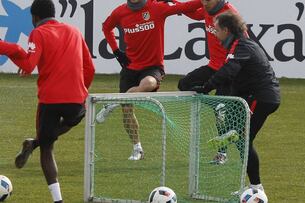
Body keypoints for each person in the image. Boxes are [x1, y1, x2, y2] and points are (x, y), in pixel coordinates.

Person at [0, 0, 95, 202]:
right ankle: (34, 143)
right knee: (73, 118)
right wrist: (82, 90)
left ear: (34, 17)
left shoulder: (38, 32)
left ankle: (57, 199)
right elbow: (90, 69)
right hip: (75, 100)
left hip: (49, 100)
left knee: (47, 147)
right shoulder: (75, 31)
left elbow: (28, 63)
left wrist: (12, 49)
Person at [96, 0, 202, 161]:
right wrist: (117, 52)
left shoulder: (157, 7)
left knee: (148, 84)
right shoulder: (120, 12)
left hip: (152, 67)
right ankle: (137, 148)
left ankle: (114, 102)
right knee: (127, 111)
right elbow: (106, 27)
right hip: (130, 67)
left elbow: (186, 7)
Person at [191, 12, 281, 192]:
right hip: (256, 97)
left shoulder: (241, 45)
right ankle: (254, 185)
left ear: (226, 30)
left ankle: (256, 187)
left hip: (261, 98)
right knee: (242, 141)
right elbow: (234, 75)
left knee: (244, 141)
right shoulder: (239, 44)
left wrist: (207, 86)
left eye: (216, 30)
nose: (214, 33)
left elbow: (229, 70)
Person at [177, 0, 248, 164]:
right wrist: (173, 4)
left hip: (227, 72)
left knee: (224, 119)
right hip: (212, 67)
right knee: (184, 84)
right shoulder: (205, 7)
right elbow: (191, 11)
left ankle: (222, 153)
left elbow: (244, 41)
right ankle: (216, 104)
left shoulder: (229, 12)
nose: (204, 2)